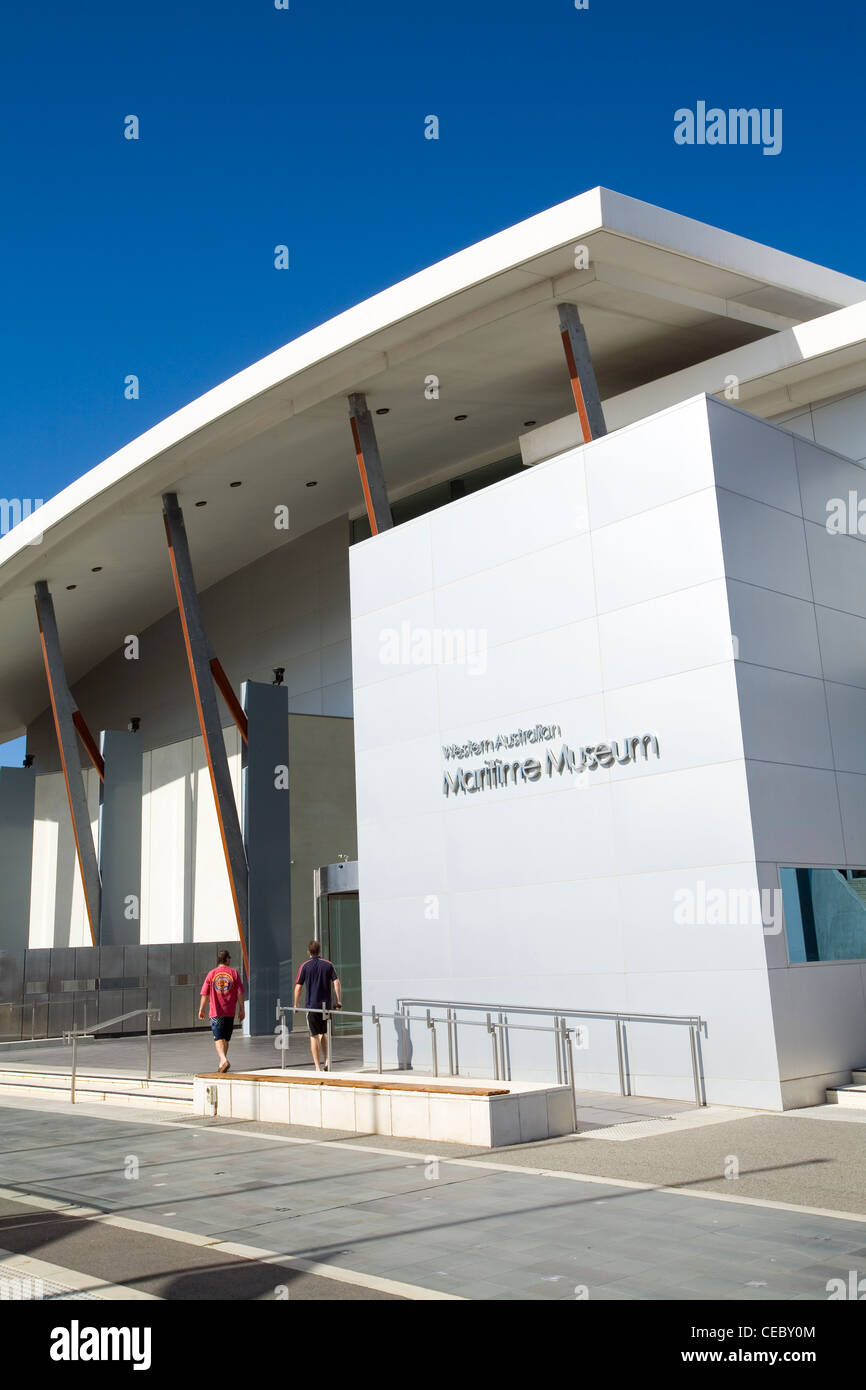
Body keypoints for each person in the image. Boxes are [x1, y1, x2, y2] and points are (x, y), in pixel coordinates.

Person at [293, 940, 341, 1071]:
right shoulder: (328, 965)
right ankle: (326, 1061)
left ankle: (317, 1067)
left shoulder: (305, 966)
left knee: (314, 1036)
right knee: (324, 1034)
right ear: (319, 951)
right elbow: (336, 982)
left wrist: (296, 1005)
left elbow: (298, 987)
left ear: (308, 952)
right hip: (326, 1007)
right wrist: (339, 1001)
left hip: (312, 1006)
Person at [198, 948, 245, 1073]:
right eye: (229, 958)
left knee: (218, 1038)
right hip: (230, 1011)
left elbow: (205, 994)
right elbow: (240, 993)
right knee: (225, 1038)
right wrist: (242, 1009)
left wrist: (201, 1009)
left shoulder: (211, 974)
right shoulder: (234, 973)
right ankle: (222, 1062)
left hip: (216, 1011)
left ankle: (223, 1060)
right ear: (227, 959)